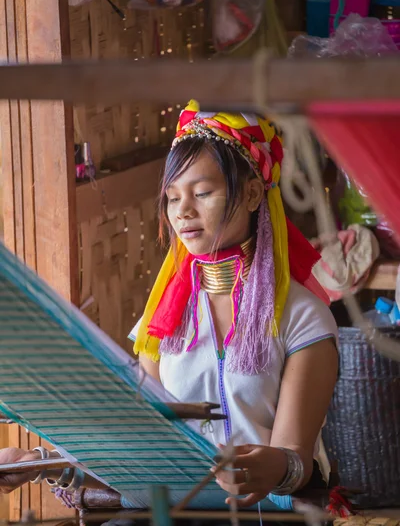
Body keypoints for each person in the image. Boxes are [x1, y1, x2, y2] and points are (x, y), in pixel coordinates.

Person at [0, 102, 338, 510]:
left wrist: (279, 467)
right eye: (173, 198)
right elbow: (142, 453)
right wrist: (41, 463)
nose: (183, 212)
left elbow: (297, 462)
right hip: (176, 509)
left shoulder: (303, 319)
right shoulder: (162, 320)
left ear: (252, 193)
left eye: (201, 193)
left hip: (265, 513)